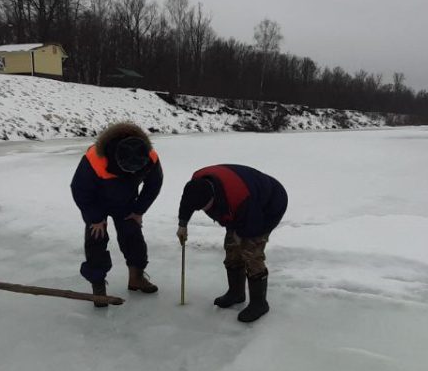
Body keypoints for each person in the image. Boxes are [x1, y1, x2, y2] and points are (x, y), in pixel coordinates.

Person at [176, 165, 287, 323]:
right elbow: (187, 203)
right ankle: (236, 293)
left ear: (213, 198)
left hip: (269, 204)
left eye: (205, 208)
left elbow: (252, 226)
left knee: (250, 252)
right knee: (232, 248)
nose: (202, 211)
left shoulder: (239, 196)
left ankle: (259, 303)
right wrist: (182, 225)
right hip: (243, 200)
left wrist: (241, 236)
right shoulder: (196, 184)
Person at [70, 122, 163, 307]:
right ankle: (98, 287)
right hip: (97, 203)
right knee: (96, 240)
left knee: (133, 236)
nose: (134, 173)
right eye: (129, 170)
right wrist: (95, 218)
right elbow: (79, 190)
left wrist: (138, 210)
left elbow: (154, 183)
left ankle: (136, 278)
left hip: (126, 202)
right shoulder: (95, 158)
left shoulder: (149, 156)